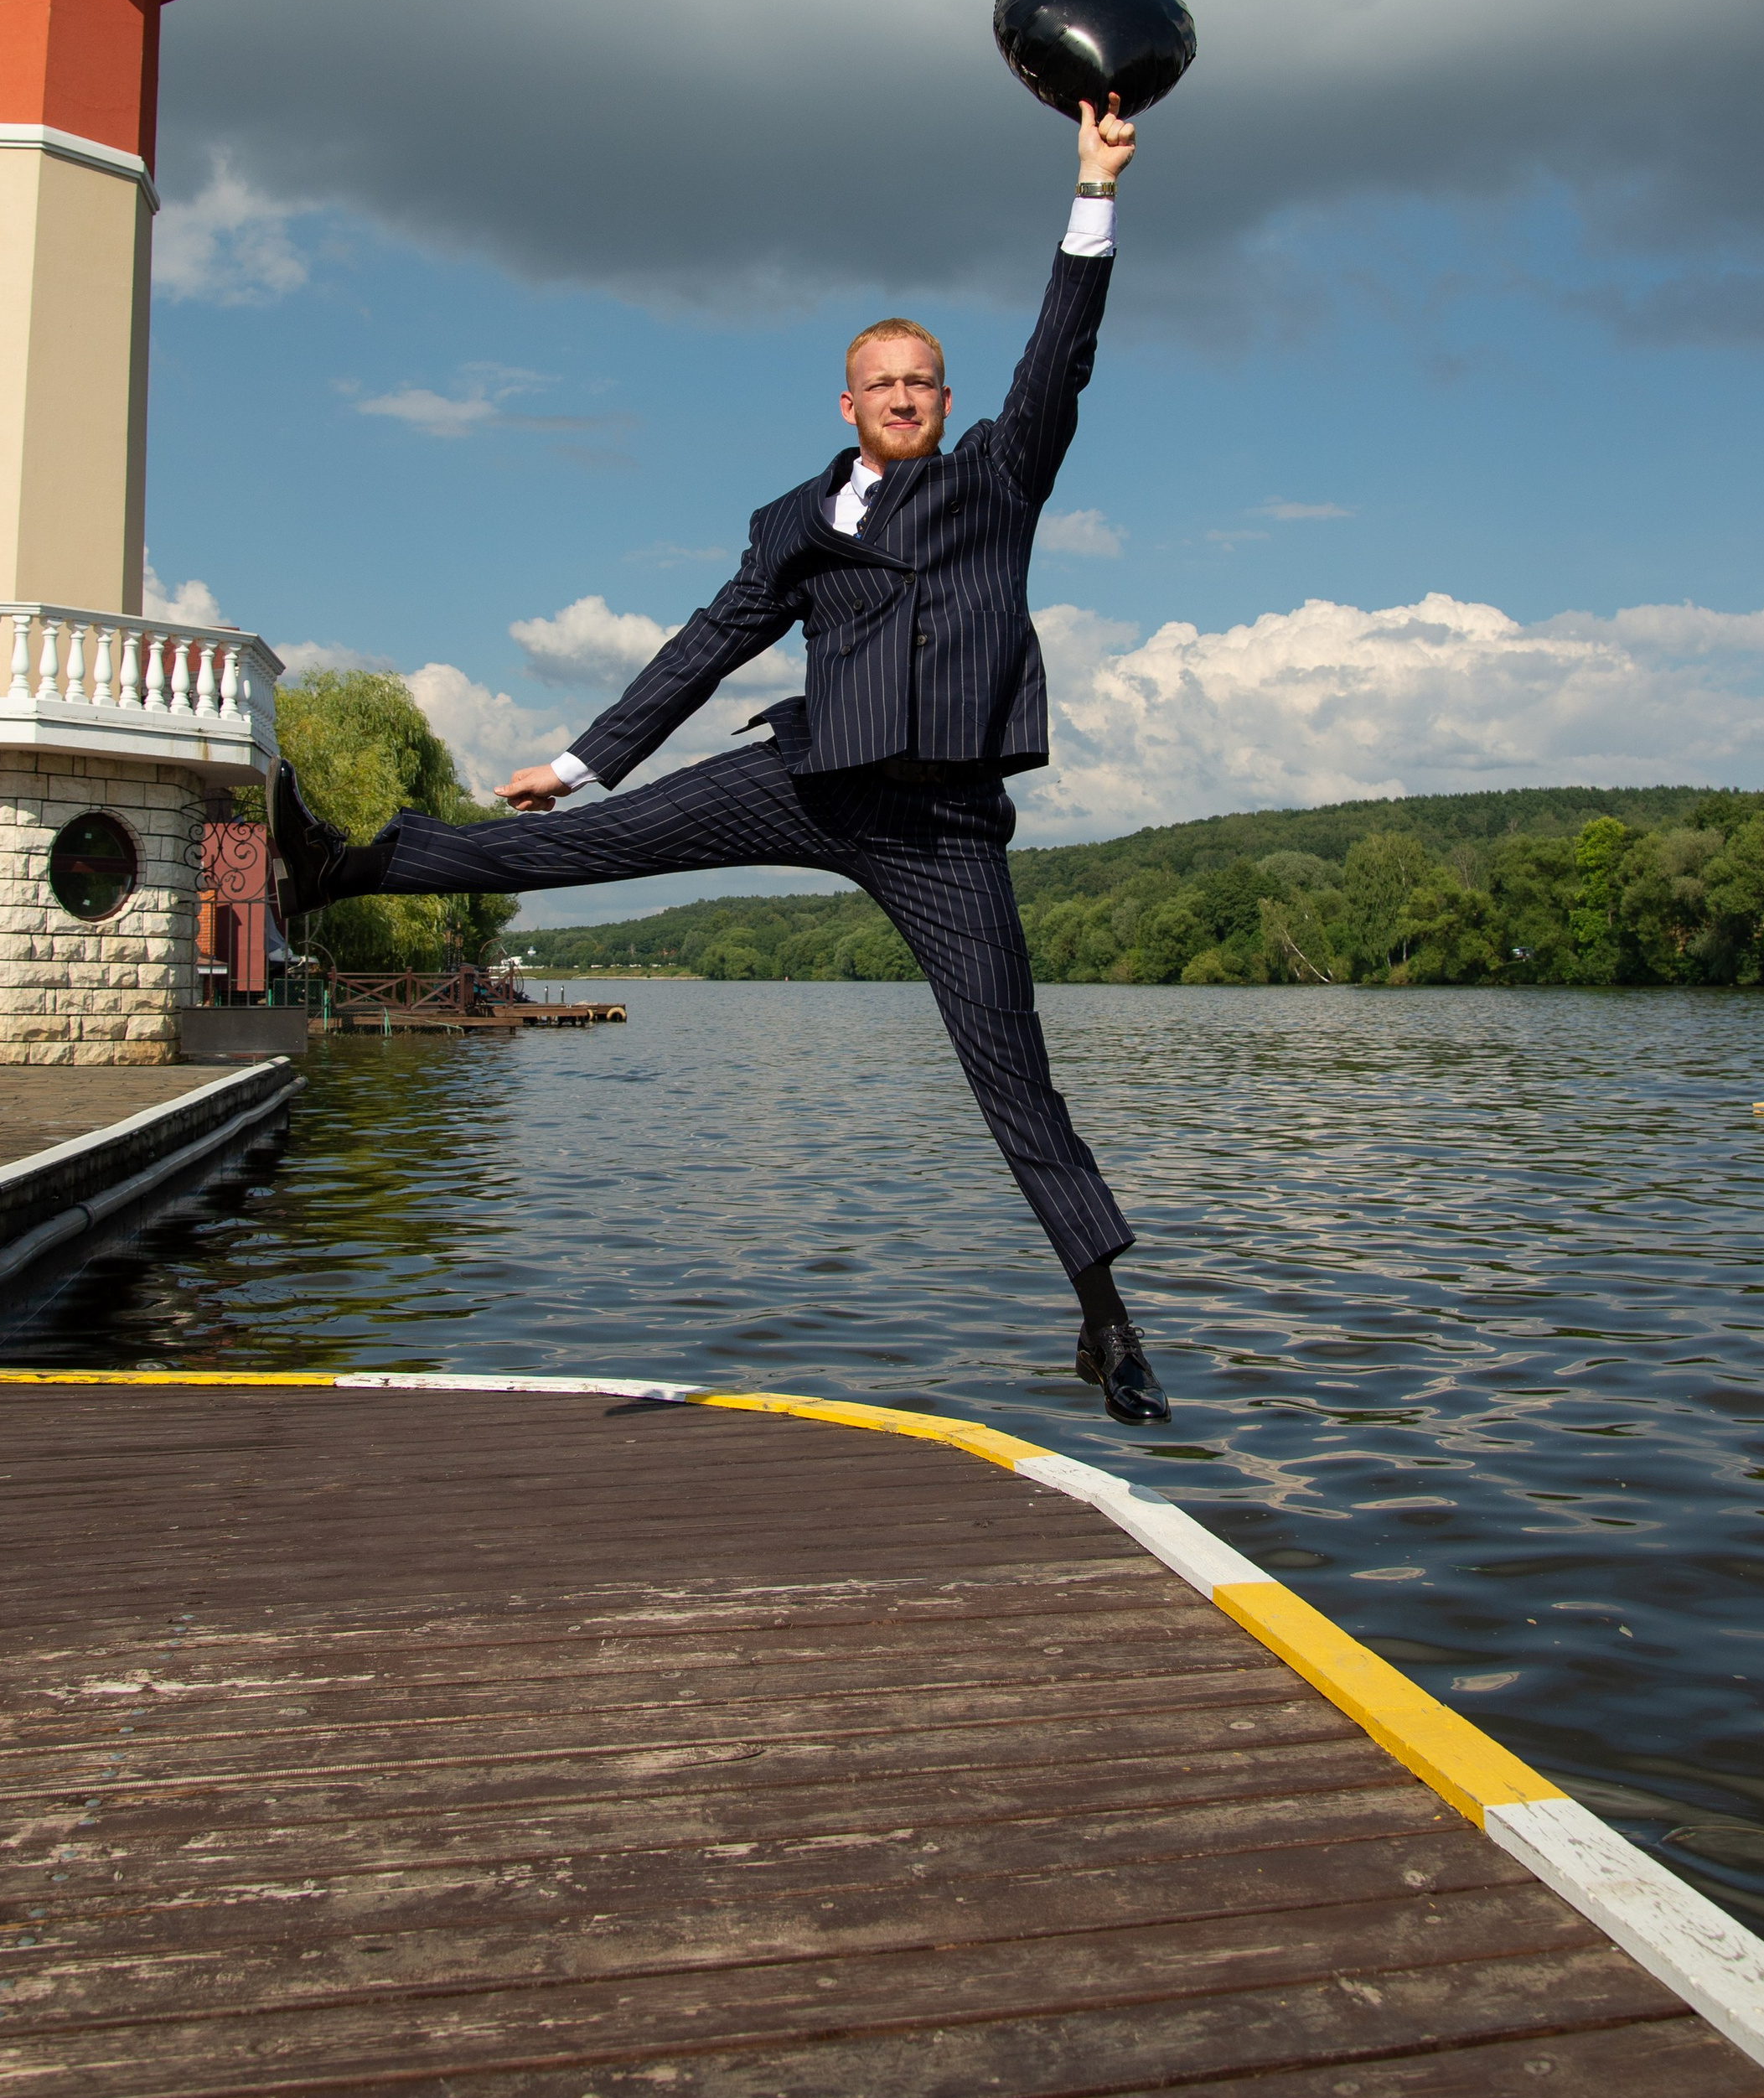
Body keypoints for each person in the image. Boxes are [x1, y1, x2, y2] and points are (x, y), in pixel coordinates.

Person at [269, 96, 1171, 1424]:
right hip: (810, 778)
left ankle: (1106, 1319)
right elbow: (709, 642)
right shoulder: (795, 521)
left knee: (1011, 1070)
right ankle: (340, 868)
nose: (904, 396)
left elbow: (1063, 355)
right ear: (849, 403)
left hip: (942, 828)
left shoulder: (997, 476)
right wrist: (580, 761)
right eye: (883, 382)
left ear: (947, 401)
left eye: (923, 380)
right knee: (577, 848)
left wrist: (1094, 189)